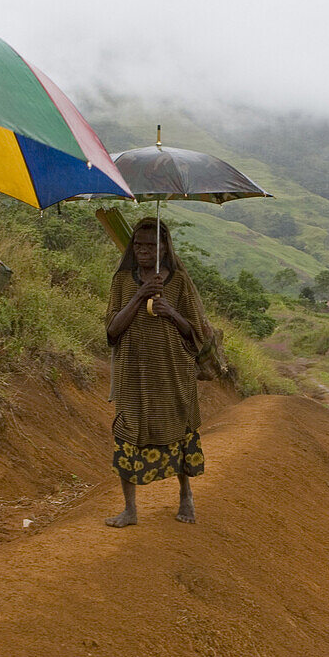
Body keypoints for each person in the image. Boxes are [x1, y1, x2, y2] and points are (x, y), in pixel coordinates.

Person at [104, 218, 209, 527]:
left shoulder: (178, 282)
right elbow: (112, 329)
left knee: (176, 431)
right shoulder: (122, 281)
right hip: (132, 374)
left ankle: (185, 494)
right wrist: (140, 295)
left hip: (171, 373)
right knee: (127, 434)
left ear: (164, 248)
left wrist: (171, 312)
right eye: (138, 245)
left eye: (151, 246)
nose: (143, 251)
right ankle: (130, 509)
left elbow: (196, 333)